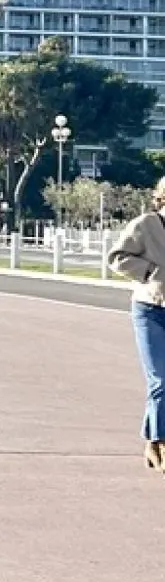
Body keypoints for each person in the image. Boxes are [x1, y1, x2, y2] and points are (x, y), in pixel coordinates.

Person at [108, 180, 165, 471]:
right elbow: (116, 258)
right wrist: (150, 273)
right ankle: (160, 441)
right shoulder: (146, 224)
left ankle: (151, 441)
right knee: (160, 380)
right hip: (150, 309)